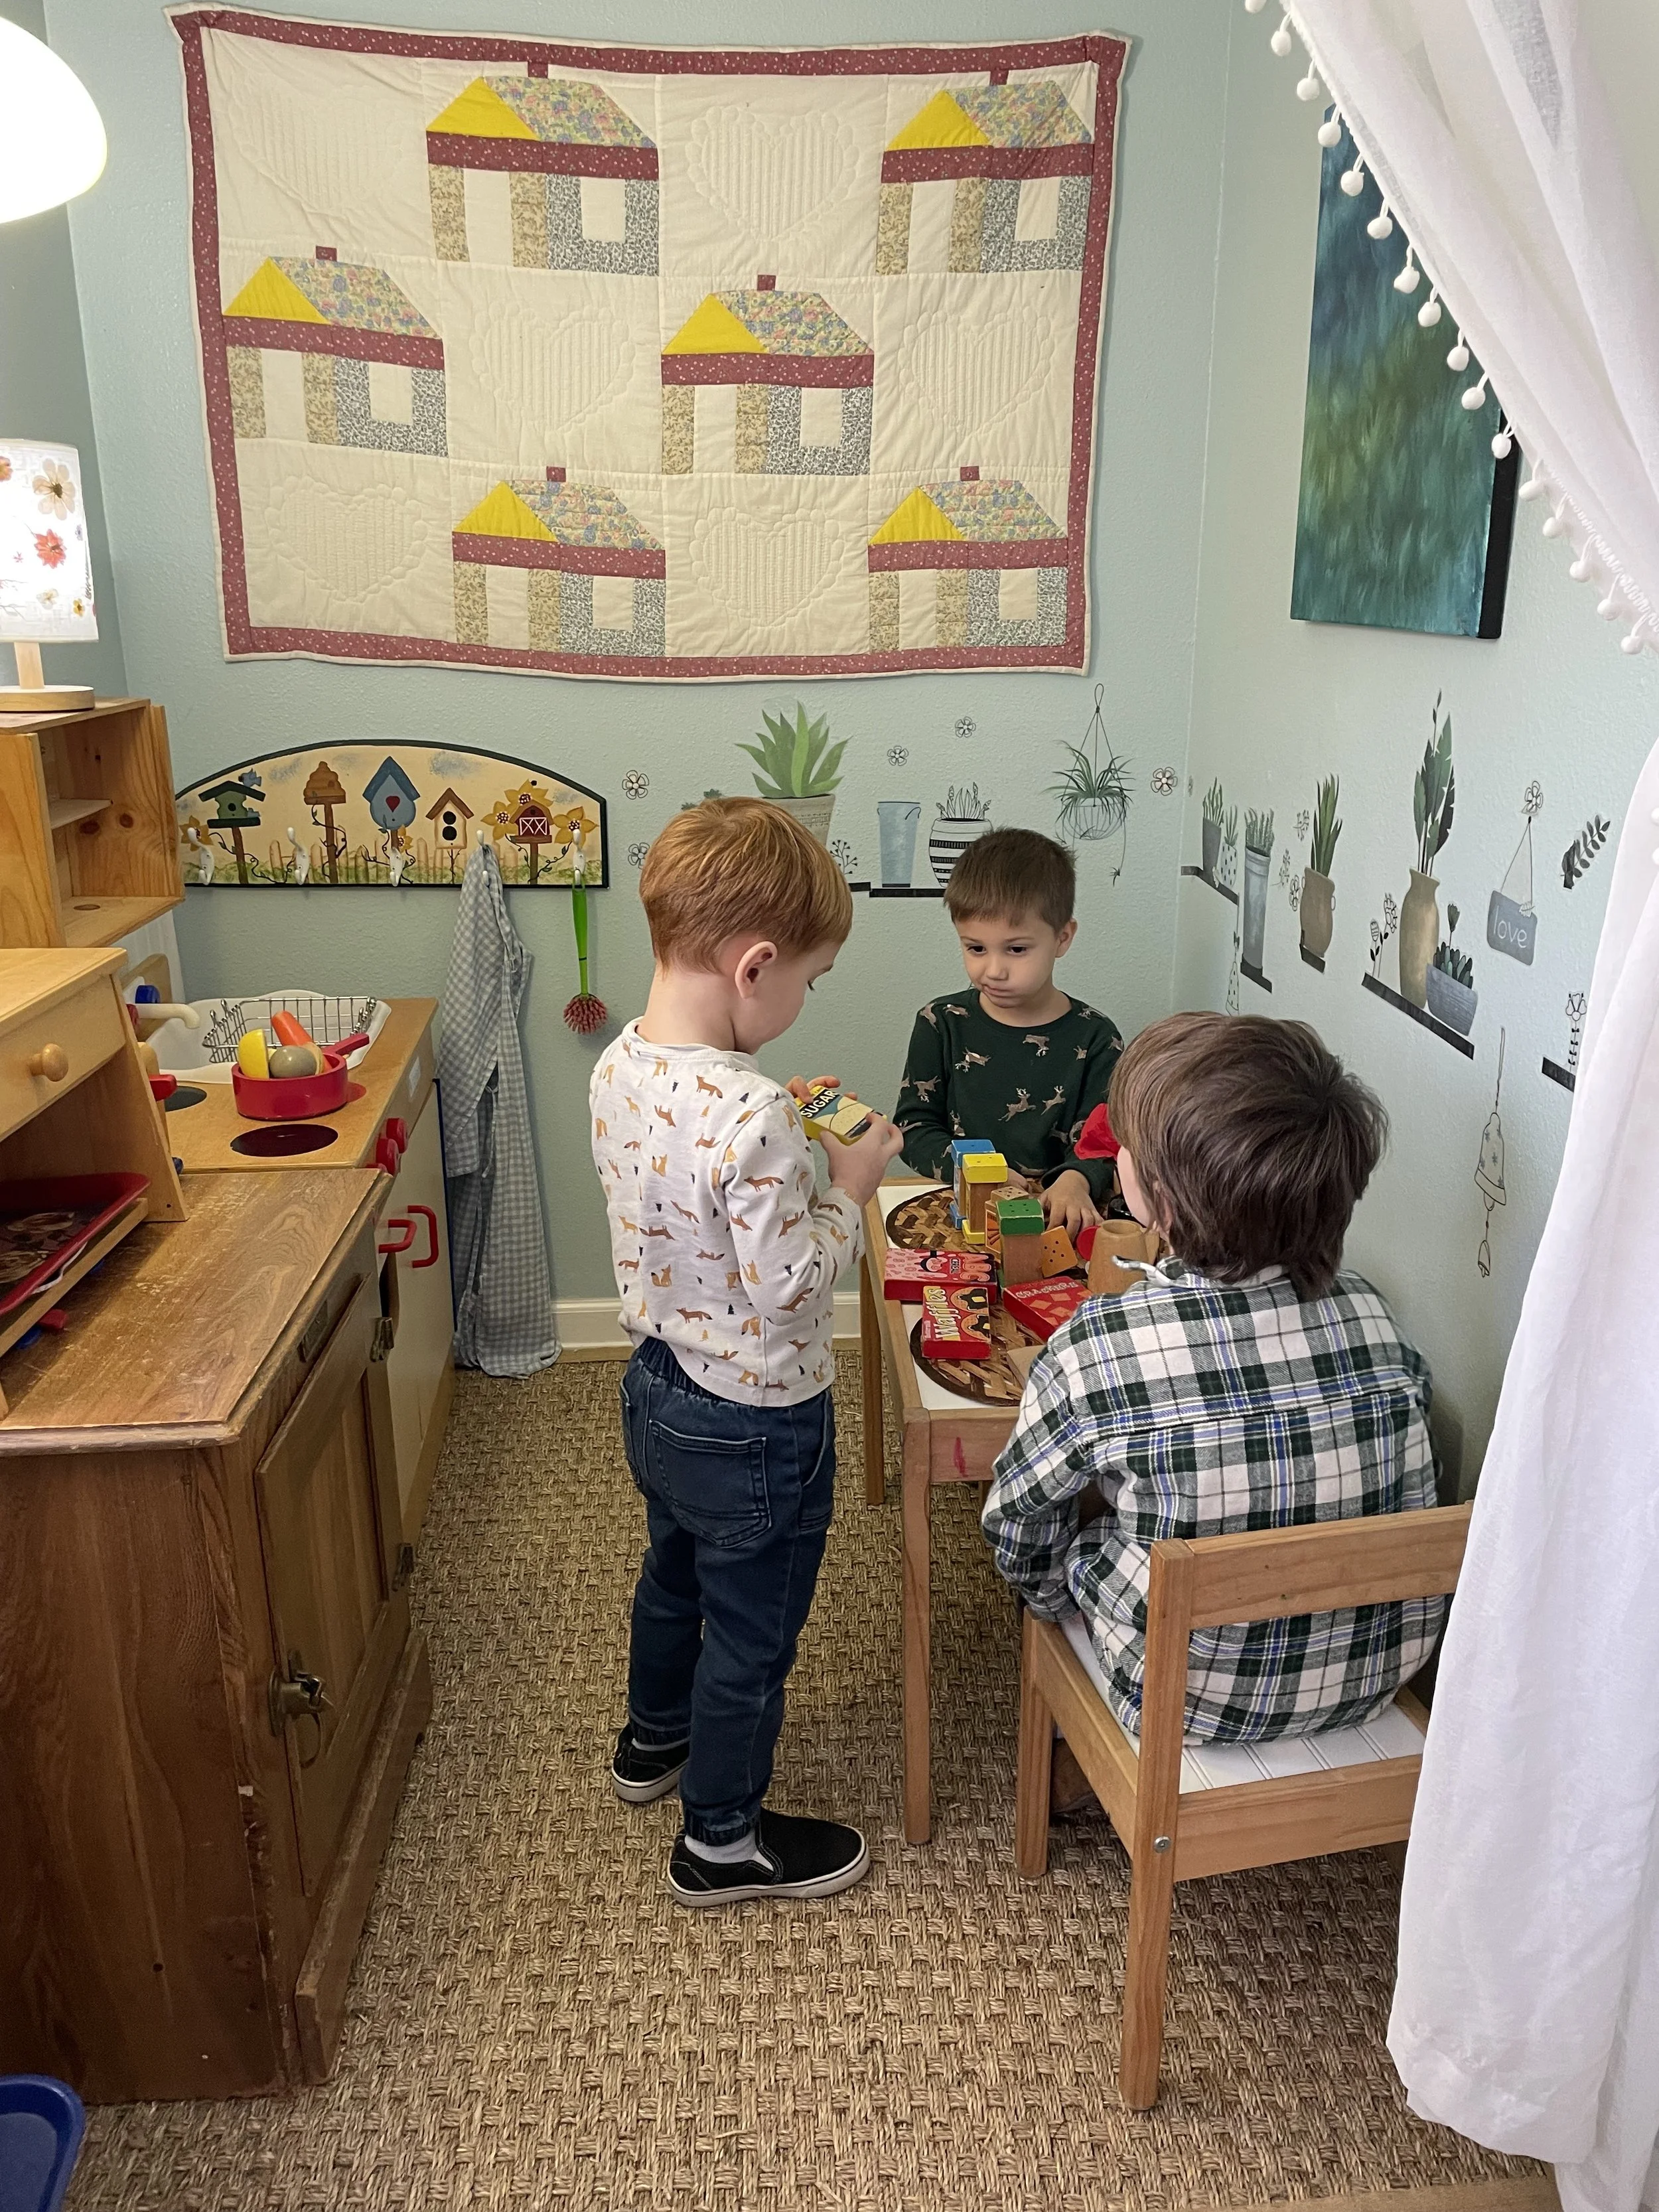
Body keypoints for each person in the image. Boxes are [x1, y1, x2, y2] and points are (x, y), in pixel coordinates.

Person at [590, 798, 904, 1904]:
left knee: (673, 1573)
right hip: (758, 1417)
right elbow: (791, 1291)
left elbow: (688, 1213)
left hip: (659, 1388)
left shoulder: (621, 1062)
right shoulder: (758, 1109)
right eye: (810, 978)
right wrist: (851, 1188)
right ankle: (721, 1836)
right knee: (752, 1632)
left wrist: (796, 1174)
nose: (805, 998)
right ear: (755, 964)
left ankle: (651, 1740)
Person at [982, 1012, 1447, 1742]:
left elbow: (1015, 1523)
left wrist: (1053, 1599)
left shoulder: (1099, 1346)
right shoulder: (1372, 1312)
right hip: (1374, 1679)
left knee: (1078, 1532)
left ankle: (1081, 1760)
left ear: (1154, 1199)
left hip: (1182, 1703)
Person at [894, 828, 1121, 1238]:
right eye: (975, 948)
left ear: (1062, 938)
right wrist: (974, 1174)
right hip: (959, 1212)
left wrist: (1077, 1179)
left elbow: (1104, 1138)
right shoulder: (939, 1022)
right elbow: (915, 1128)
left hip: (1058, 1222)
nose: (993, 970)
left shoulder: (1098, 1039)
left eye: (1016, 949)